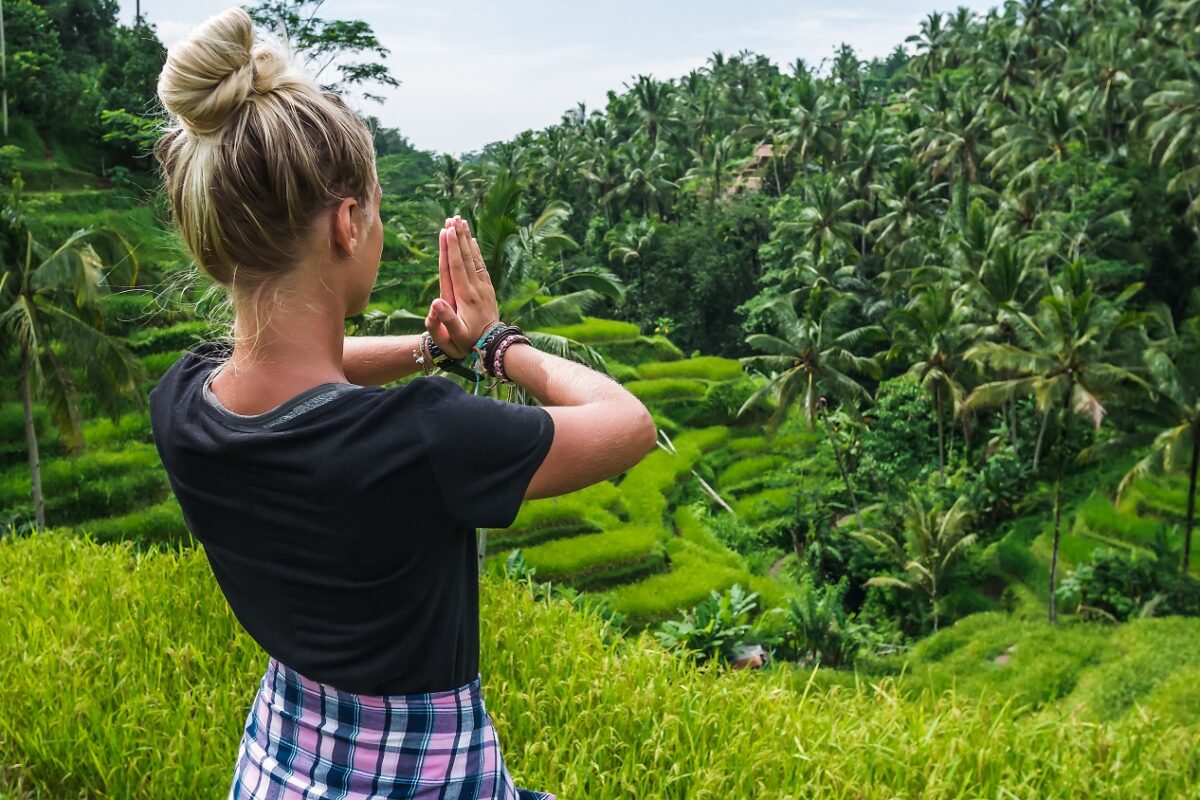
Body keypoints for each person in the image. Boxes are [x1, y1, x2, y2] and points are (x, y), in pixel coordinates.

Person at [146, 9, 656, 799]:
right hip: (422, 776)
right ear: (348, 224)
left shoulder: (183, 399)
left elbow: (299, 369)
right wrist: (495, 344)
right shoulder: (422, 437)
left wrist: (431, 350)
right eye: (376, 210)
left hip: (282, 761)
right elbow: (628, 424)